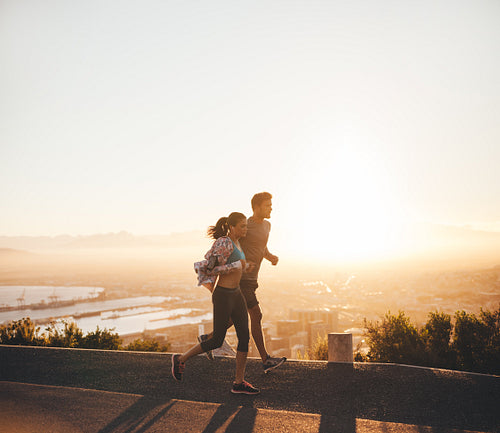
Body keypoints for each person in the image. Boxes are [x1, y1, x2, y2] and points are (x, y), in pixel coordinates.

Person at [172, 212, 259, 395]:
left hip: (236, 294)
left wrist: (245, 266)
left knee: (244, 336)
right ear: (232, 227)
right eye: (242, 226)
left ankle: (238, 382)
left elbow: (236, 264)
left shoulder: (237, 243)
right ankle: (180, 358)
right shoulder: (223, 242)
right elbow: (210, 268)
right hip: (223, 295)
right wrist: (235, 267)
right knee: (217, 339)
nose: (245, 229)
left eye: (246, 225)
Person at [199, 192, 286, 373]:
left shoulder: (267, 226)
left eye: (271, 205)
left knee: (235, 318)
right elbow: (231, 242)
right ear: (256, 207)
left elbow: (262, 247)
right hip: (242, 279)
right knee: (256, 313)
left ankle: (207, 338)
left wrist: (270, 257)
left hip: (253, 279)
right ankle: (265, 359)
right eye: (268, 205)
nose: (271, 208)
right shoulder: (246, 225)